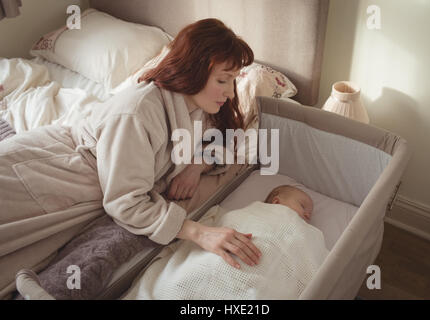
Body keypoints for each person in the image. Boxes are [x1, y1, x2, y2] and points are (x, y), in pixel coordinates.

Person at [0, 18, 261, 299]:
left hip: (88, 185)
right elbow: (125, 202)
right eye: (223, 80)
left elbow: (226, 140)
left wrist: (195, 167)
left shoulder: (201, 106)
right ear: (194, 70)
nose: (231, 92)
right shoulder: (139, 112)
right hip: (53, 171)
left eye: (233, 81)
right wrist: (200, 233)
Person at [122, 185, 321, 300]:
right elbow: (216, 221)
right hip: (212, 265)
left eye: (309, 213)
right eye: (302, 206)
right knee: (188, 280)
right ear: (276, 203)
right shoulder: (248, 213)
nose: (307, 214)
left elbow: (307, 257)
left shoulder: (303, 232)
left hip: (255, 278)